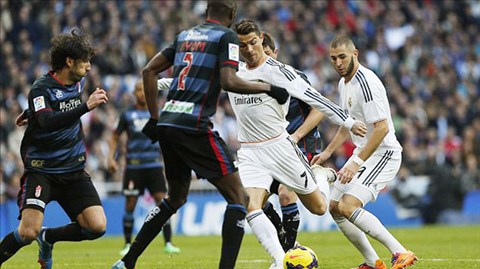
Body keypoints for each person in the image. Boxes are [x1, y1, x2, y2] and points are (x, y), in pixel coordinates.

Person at [112, 1, 289, 269]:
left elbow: (148, 71)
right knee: (239, 198)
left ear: (207, 12)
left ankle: (127, 261)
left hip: (168, 124)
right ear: (230, 15)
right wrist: (267, 88)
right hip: (193, 126)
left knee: (175, 197)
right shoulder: (225, 36)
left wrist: (154, 117)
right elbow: (230, 81)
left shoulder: (184, 36)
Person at [231, 19, 367, 268]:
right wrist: (161, 84)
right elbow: (193, 82)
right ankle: (280, 260)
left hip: (281, 148)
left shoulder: (280, 72)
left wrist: (347, 121)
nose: (249, 49)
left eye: (252, 43)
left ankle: (323, 176)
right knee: (250, 205)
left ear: (261, 39)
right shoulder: (231, 72)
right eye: (242, 45)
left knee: (318, 207)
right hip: (250, 150)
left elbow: (316, 100)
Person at [0, 29, 108, 269]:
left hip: (73, 169)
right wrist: (85, 107)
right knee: (28, 232)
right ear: (69, 61)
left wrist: (31, 113)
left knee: (97, 227)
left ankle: (48, 238)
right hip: (42, 170)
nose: (89, 67)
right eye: (85, 62)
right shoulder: (41, 89)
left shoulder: (77, 81)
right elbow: (48, 120)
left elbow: (54, 109)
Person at [311, 35, 417, 269]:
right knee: (334, 207)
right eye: (333, 58)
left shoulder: (366, 82)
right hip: (365, 152)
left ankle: (400, 252)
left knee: (348, 206)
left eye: (342, 57)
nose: (338, 63)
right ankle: (373, 262)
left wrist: (355, 162)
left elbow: (382, 128)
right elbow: (347, 123)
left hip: (383, 153)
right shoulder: (344, 83)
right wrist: (328, 152)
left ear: (355, 54)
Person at [260, 31, 326, 251]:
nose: (265, 60)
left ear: (275, 53)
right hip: (270, 149)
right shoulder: (253, 82)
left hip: (300, 145)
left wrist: (296, 135)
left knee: (286, 194)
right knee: (253, 203)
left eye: (268, 54)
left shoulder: (293, 77)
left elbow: (319, 109)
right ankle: (287, 242)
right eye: (261, 55)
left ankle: (286, 255)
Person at [107, 80, 181, 256]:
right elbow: (115, 136)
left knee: (163, 202)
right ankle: (126, 244)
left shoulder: (158, 113)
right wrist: (111, 158)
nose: (141, 93)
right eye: (138, 90)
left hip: (154, 164)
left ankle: (168, 242)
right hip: (134, 166)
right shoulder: (127, 114)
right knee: (130, 205)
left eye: (143, 89)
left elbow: (168, 138)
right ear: (134, 93)